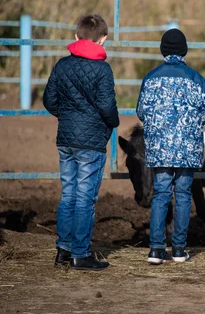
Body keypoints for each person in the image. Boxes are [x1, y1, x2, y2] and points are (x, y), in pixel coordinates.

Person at [43, 14, 119, 271]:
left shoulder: (62, 65)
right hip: (92, 141)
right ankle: (81, 253)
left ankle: (63, 250)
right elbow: (107, 106)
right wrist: (113, 122)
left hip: (65, 139)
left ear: (76, 36)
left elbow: (49, 100)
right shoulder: (102, 69)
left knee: (69, 196)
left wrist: (66, 116)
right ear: (104, 39)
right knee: (85, 198)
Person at [136, 28, 205, 265]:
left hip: (159, 149)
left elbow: (141, 111)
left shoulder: (150, 78)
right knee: (183, 195)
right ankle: (179, 249)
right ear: (184, 51)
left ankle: (156, 249)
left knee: (160, 194)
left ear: (163, 51)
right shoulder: (195, 78)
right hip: (187, 149)